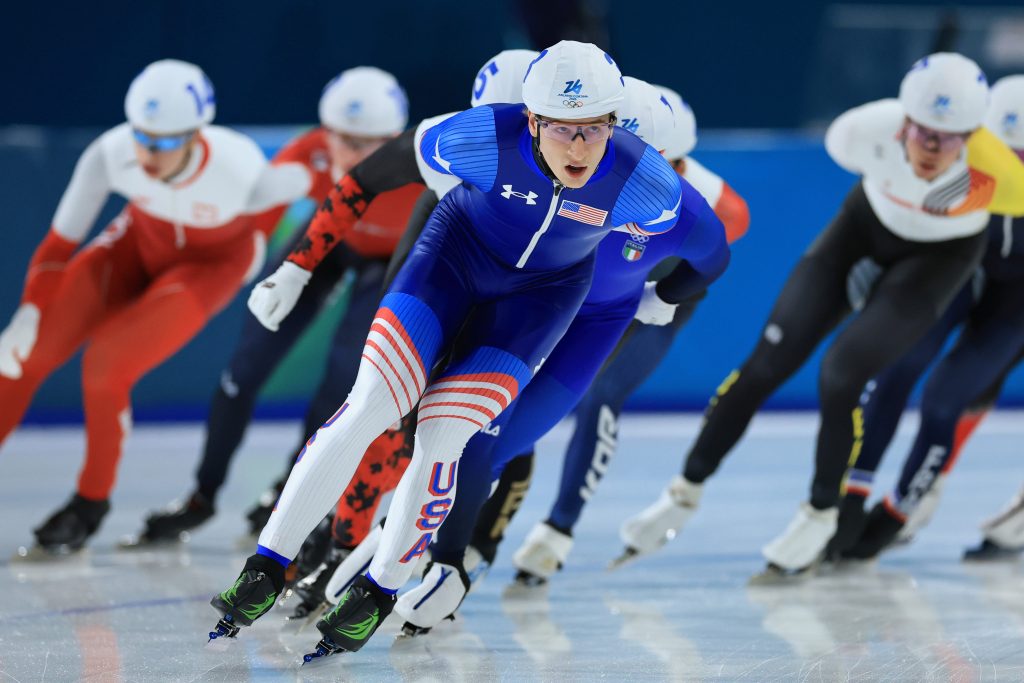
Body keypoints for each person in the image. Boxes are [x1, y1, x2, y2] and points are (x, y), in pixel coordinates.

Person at [207, 41, 690, 659]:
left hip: (538, 301)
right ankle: (266, 567)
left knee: (444, 434)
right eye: (563, 129)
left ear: (615, 124)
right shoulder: (479, 135)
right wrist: (298, 267)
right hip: (450, 264)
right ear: (532, 121)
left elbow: (690, 248)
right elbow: (365, 178)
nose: (579, 148)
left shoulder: (649, 184)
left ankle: (380, 590)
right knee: (371, 404)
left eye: (595, 129)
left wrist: (658, 295)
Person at [616, 53, 1024, 580]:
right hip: (862, 233)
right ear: (903, 120)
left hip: (939, 262)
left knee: (843, 373)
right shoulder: (860, 132)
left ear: (973, 137)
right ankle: (684, 491)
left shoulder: (1002, 176)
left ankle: (822, 511)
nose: (931, 149)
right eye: (923, 132)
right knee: (766, 362)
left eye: (949, 140)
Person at [0, 60, 308, 556]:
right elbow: (58, 245)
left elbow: (326, 184)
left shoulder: (242, 171)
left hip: (209, 267)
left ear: (196, 135)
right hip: (135, 246)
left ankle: (89, 504)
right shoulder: (111, 153)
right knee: (21, 356)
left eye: (164, 142)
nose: (147, 153)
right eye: (141, 136)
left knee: (105, 367)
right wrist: (30, 310)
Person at [125, 66, 421, 546]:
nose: (352, 155)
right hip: (329, 243)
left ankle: (288, 493)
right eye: (341, 140)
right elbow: (258, 221)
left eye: (369, 145)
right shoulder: (307, 153)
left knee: (343, 374)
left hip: (391, 262)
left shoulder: (420, 168)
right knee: (246, 366)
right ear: (323, 132)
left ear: (394, 140)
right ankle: (202, 496)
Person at [830, 74, 1024, 560]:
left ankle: (905, 505)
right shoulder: (956, 166)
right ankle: (852, 492)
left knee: (946, 398)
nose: (1011, 170)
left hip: (1015, 303)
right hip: (964, 275)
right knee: (898, 365)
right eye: (1005, 154)